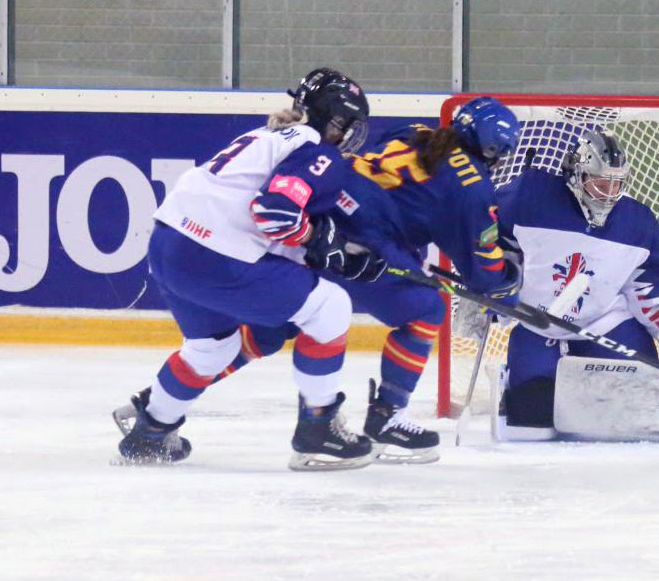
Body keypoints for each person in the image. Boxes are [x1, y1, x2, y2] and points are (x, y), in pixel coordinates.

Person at [113, 67, 428, 471]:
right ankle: (319, 430)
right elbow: (275, 210)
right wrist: (319, 242)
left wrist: (325, 245)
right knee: (328, 307)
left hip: (168, 247)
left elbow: (260, 211)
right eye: (348, 125)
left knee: (212, 348)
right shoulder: (317, 151)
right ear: (335, 121)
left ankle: (150, 433)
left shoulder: (267, 137)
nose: (349, 135)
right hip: (217, 255)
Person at [192, 95, 526, 464]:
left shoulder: (415, 132)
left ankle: (162, 404)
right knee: (426, 310)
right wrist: (507, 285)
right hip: (363, 239)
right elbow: (483, 275)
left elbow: (403, 198)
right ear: (493, 148)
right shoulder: (471, 184)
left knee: (277, 326)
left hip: (322, 214)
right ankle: (388, 419)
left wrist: (407, 251)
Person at [487, 127, 659, 441]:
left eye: (616, 184)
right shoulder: (531, 196)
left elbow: (655, 293)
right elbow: (489, 229)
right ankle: (516, 386)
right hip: (537, 323)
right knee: (532, 423)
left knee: (636, 407)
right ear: (576, 174)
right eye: (600, 183)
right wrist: (493, 279)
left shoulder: (637, 223)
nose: (608, 193)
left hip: (605, 324)